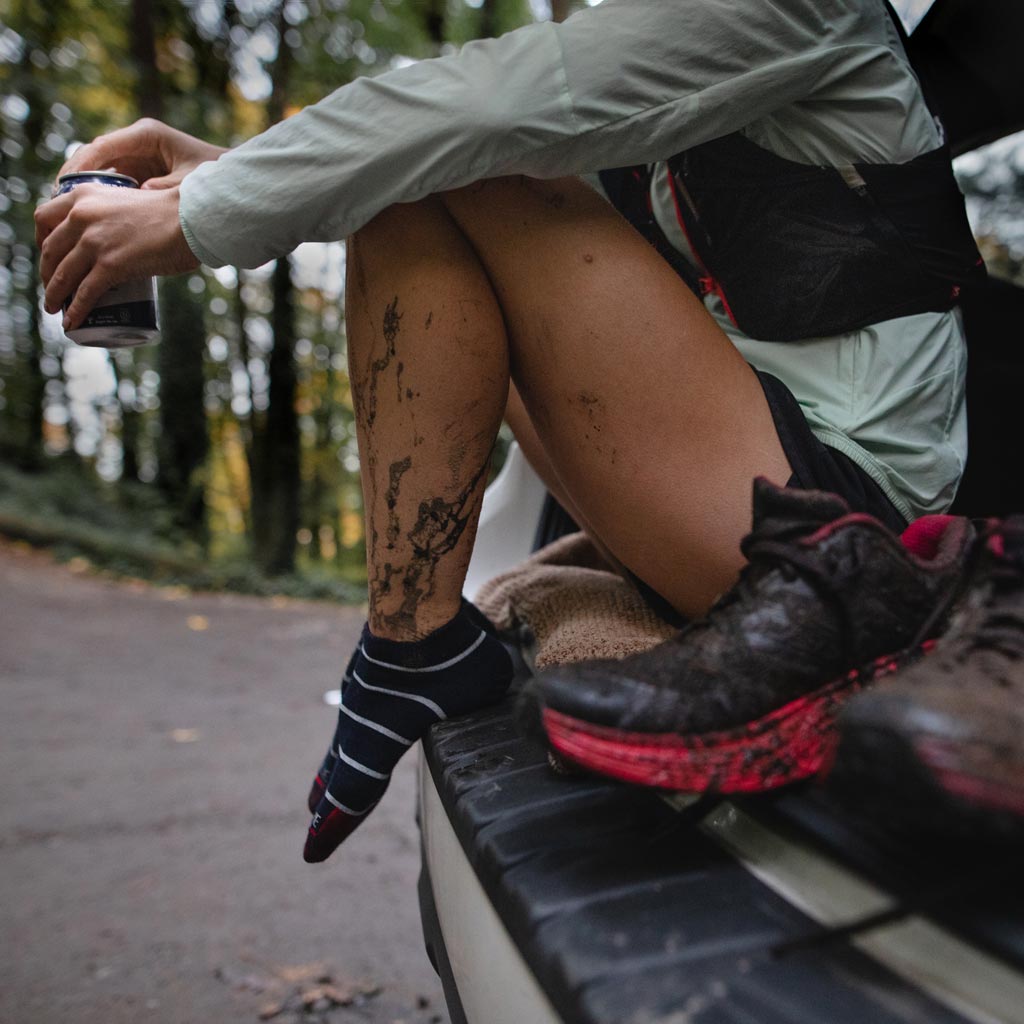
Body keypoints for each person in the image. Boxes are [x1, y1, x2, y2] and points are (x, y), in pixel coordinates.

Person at [35, 0, 983, 862]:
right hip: (725, 486)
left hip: (840, 541)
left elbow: (477, 115)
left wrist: (202, 212)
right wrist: (227, 174)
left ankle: (411, 648)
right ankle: (417, 637)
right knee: (419, 163)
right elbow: (444, 179)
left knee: (444, 151)